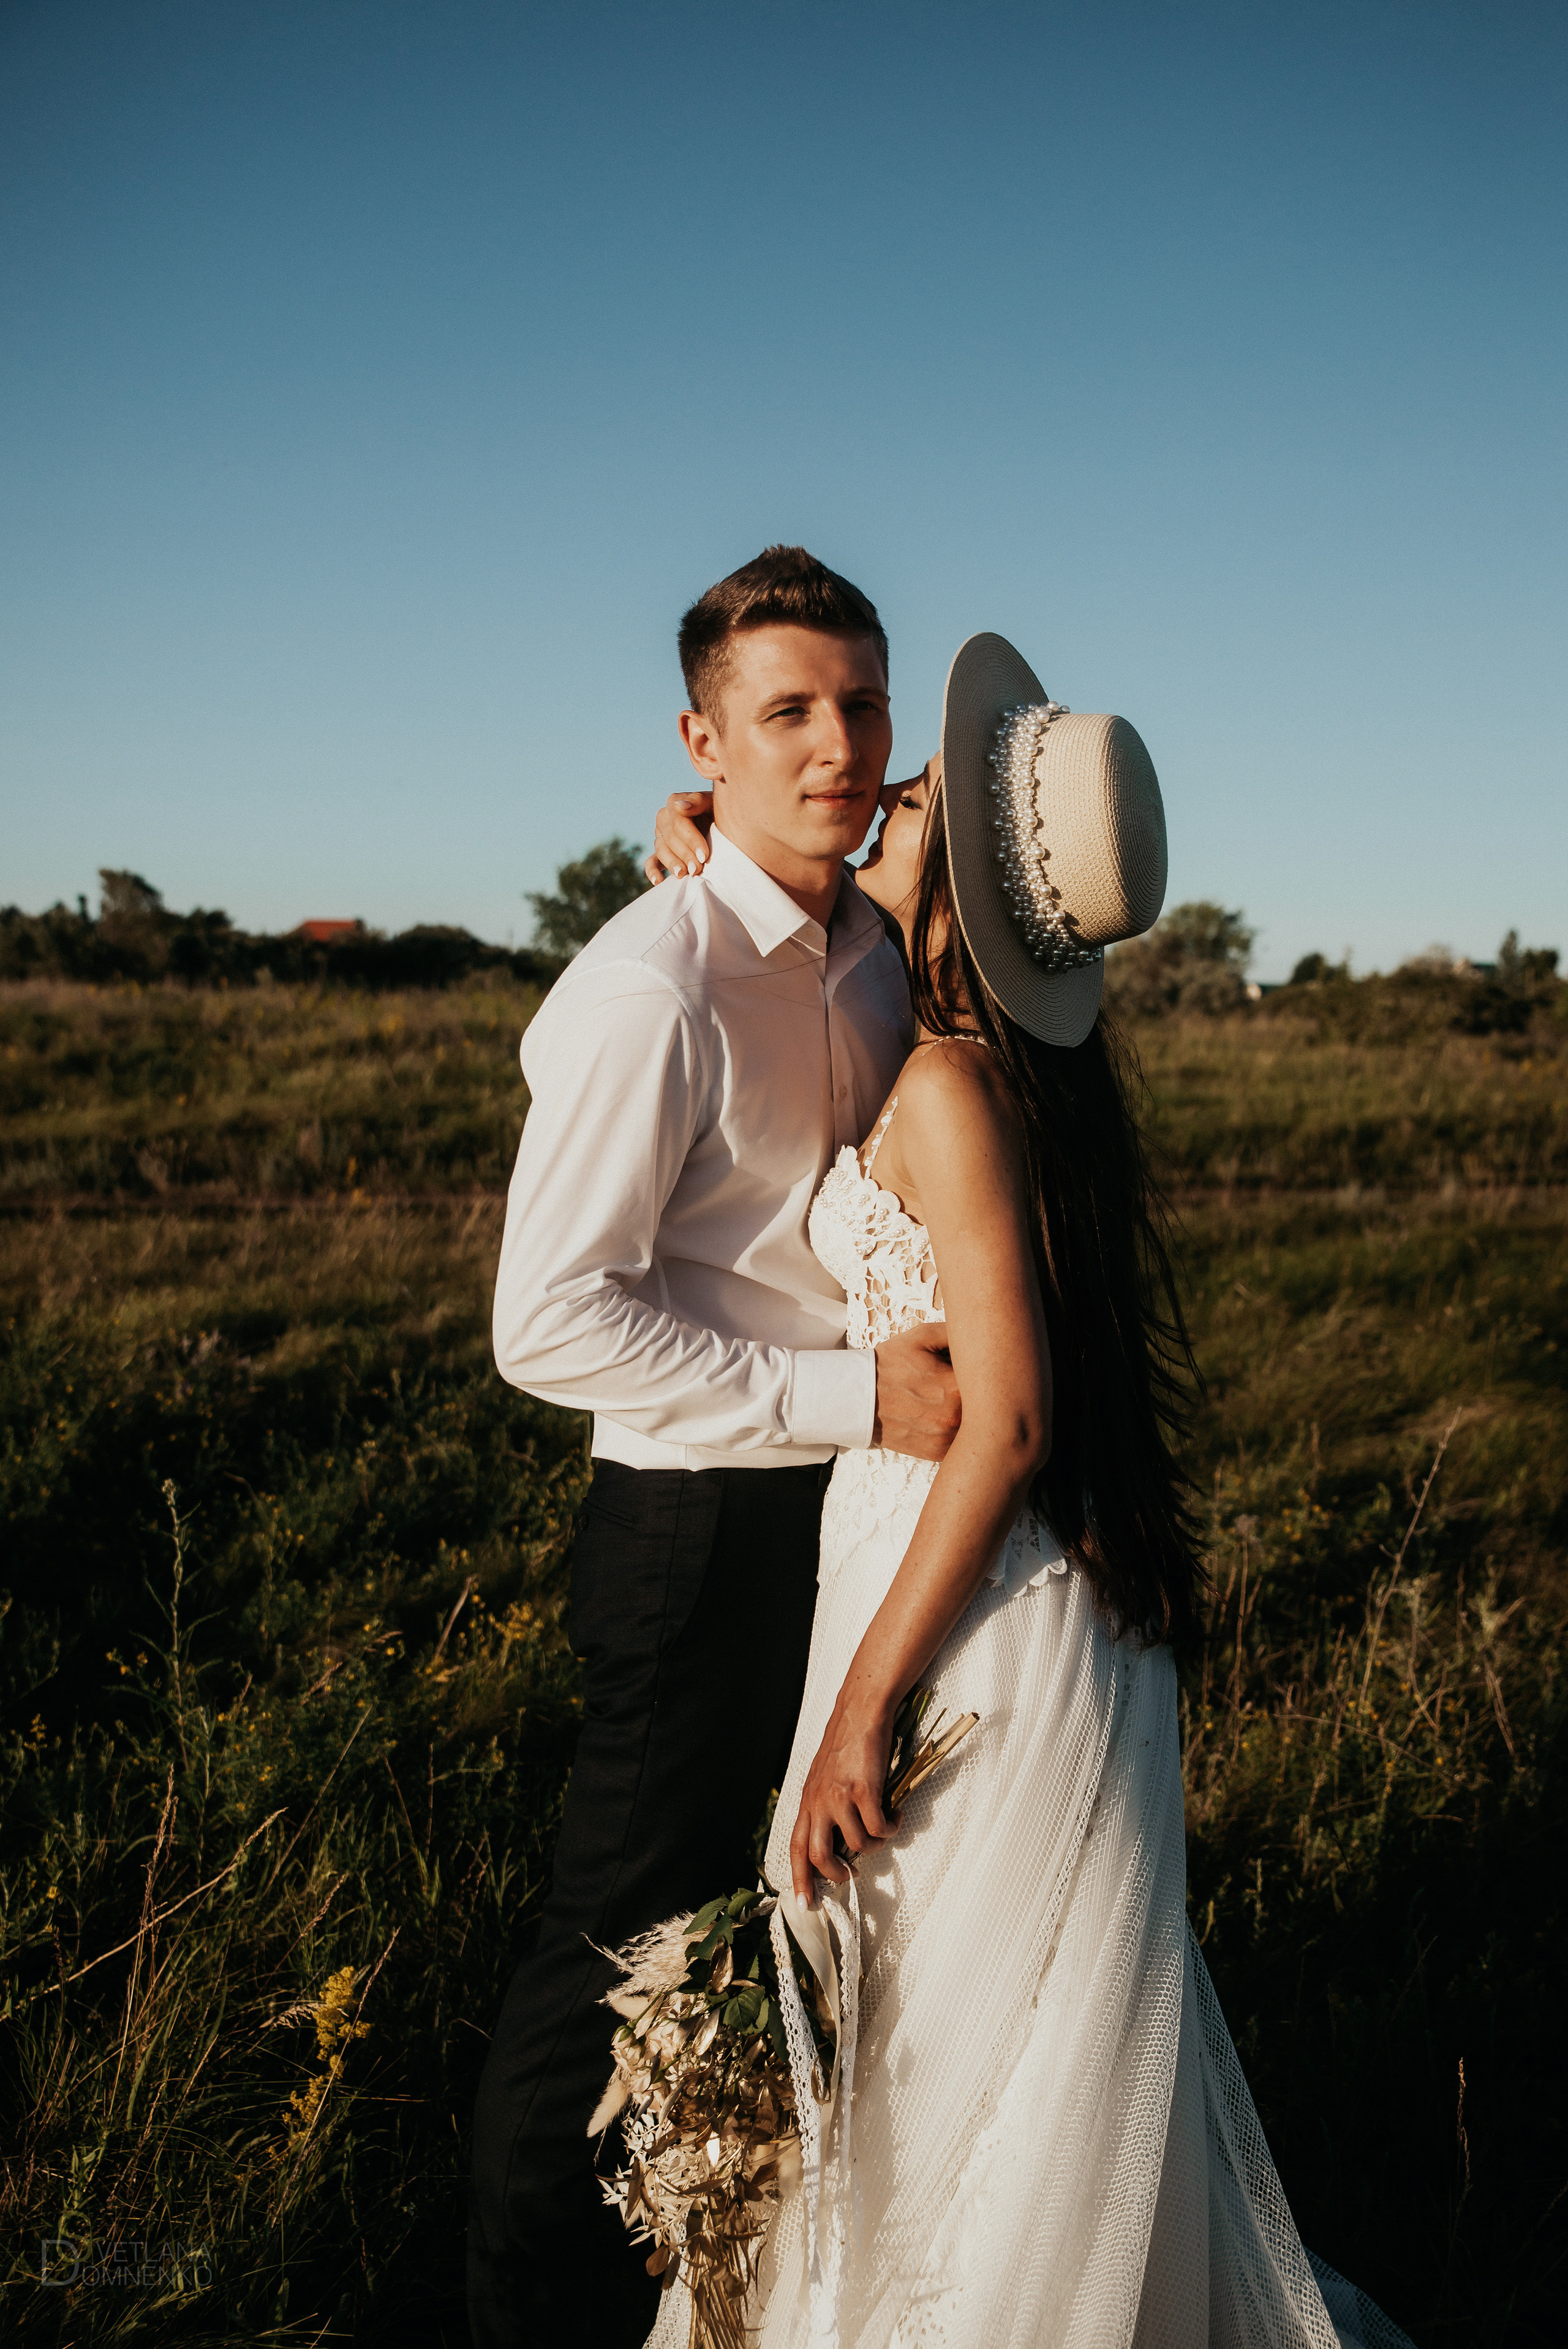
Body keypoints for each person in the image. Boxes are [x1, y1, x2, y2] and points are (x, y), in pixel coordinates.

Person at [641, 637, 1414, 2349]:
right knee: (988, 2050)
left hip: (969, 1616)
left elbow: (1005, 1422)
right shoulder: (1004, 1066)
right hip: (998, 1595)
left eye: (908, 800)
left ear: (962, 880)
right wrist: (703, 833)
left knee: (958, 2056)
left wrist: (859, 1708)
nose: (878, 796)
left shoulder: (944, 1085)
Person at [467, 547, 963, 2349]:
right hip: (690, 1533)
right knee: (618, 1956)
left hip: (848, 1519)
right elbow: (551, 1321)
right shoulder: (649, 987)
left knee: (782, 1937)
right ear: (703, 738)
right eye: (785, 712)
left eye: (861, 704)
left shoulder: (866, 943)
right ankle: (521, 2315)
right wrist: (857, 1396)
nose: (835, 744)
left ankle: (721, 2286)